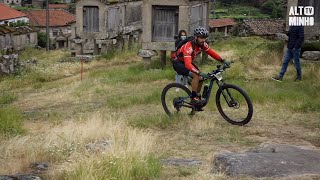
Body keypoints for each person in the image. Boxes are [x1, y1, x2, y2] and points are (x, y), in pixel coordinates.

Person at [171, 26, 231, 105]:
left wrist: (222, 60)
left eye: (205, 38)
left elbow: (211, 53)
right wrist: (198, 72)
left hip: (186, 62)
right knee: (196, 75)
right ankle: (194, 98)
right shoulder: (188, 46)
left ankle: (196, 97)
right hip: (178, 63)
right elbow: (188, 64)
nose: (203, 40)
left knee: (201, 78)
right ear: (196, 37)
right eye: (201, 38)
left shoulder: (202, 44)